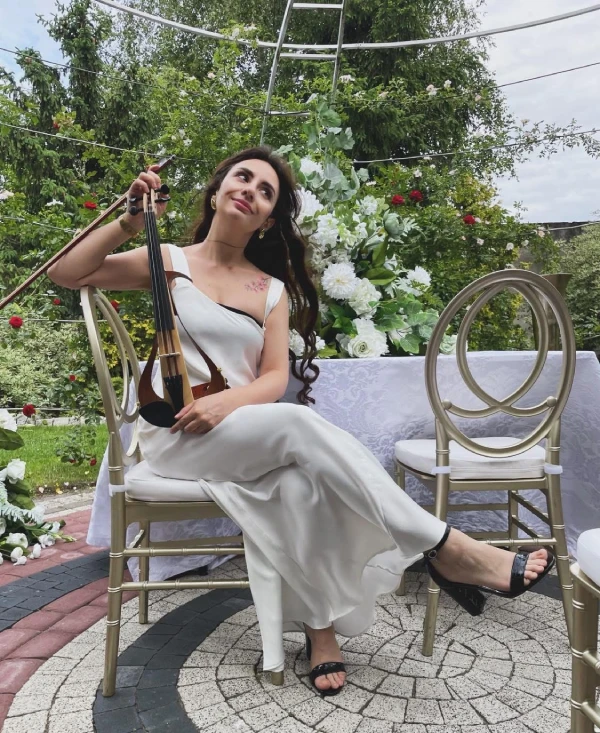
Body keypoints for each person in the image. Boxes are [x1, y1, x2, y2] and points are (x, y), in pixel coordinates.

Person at [48, 147, 553, 697]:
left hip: (235, 432)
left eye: (266, 191)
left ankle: (322, 629)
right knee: (295, 425)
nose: (251, 190)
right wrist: (129, 221)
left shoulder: (270, 291)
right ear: (216, 193)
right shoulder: (168, 259)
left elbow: (271, 379)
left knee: (298, 484)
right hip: (177, 436)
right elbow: (65, 272)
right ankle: (446, 547)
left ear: (268, 219)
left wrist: (226, 403)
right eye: (243, 178)